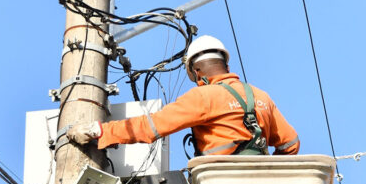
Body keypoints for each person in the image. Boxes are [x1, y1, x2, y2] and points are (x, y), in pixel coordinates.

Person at [67, 35, 300, 156]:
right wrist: (270, 171)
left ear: (196, 72)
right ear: (225, 64)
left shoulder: (203, 97)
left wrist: (100, 131)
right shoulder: (261, 96)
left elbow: (151, 128)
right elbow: (291, 143)